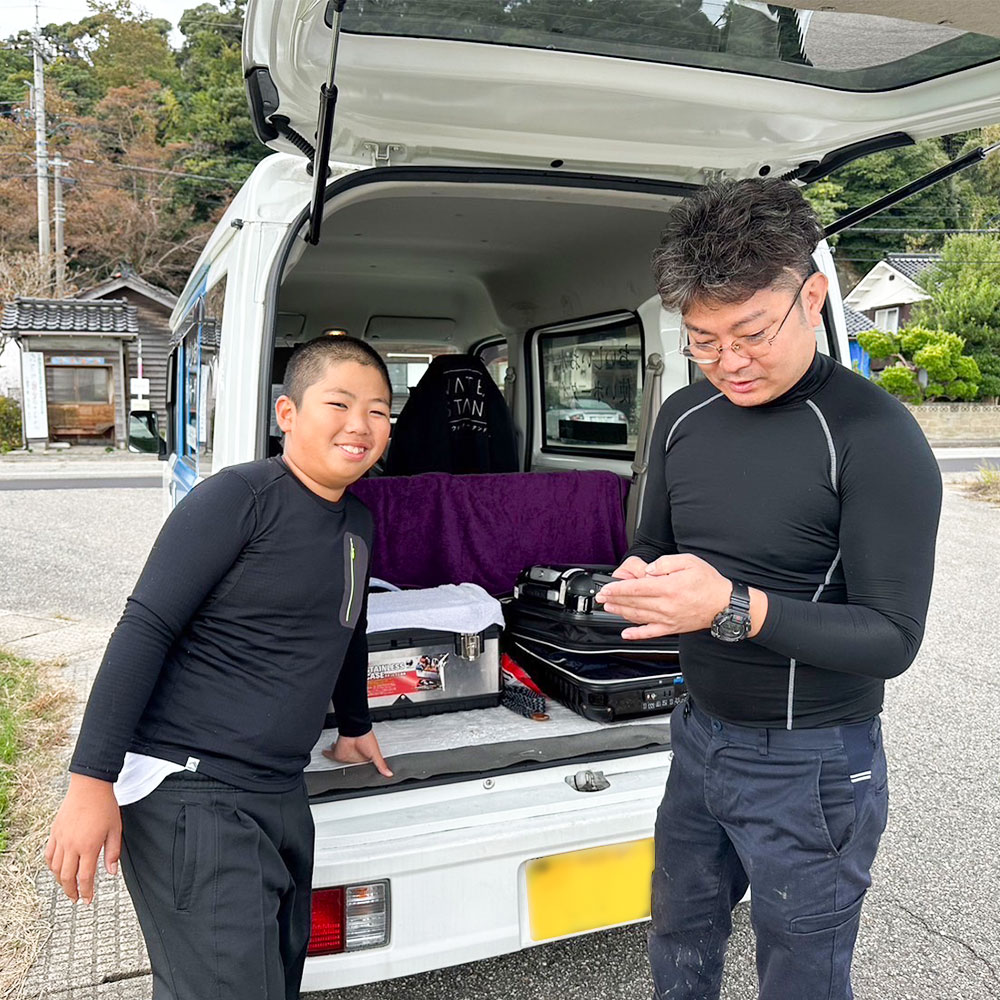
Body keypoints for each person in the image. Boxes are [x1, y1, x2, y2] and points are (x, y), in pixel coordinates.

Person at [595, 179, 942, 1000]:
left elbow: (892, 639)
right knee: (679, 937)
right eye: (704, 342)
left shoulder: (873, 436)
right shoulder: (684, 415)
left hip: (814, 762)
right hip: (699, 737)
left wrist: (731, 608)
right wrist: (638, 583)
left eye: (750, 333)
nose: (730, 363)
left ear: (812, 297)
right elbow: (653, 546)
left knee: (801, 975)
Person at [45, 335, 394, 1000]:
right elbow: (145, 627)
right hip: (193, 790)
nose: (360, 425)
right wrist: (92, 780)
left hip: (278, 790)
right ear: (287, 414)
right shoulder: (238, 498)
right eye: (340, 403)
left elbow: (348, 628)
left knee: (270, 977)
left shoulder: (356, 522)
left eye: (378, 411)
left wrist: (355, 723)